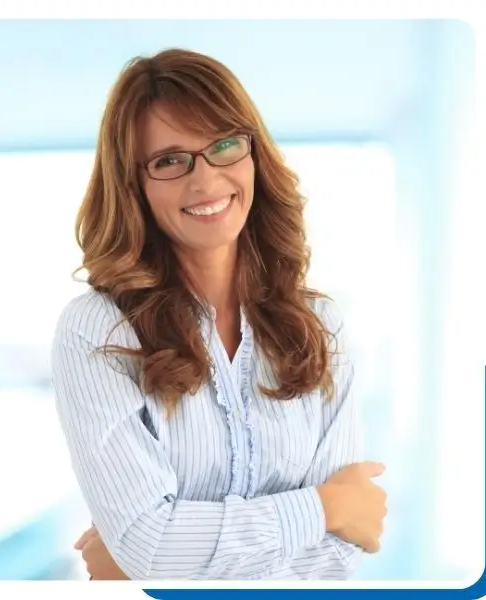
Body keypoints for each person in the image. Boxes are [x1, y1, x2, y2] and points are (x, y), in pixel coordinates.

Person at [50, 48, 387, 581]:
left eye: (225, 146)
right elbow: (149, 545)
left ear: (254, 154)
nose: (204, 181)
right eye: (169, 160)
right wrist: (326, 507)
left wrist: (158, 555)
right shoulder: (98, 331)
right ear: (133, 183)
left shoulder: (320, 325)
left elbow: (336, 556)